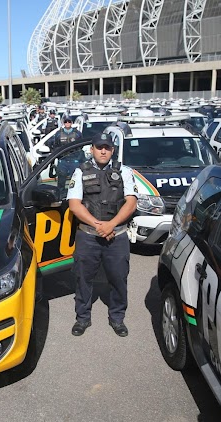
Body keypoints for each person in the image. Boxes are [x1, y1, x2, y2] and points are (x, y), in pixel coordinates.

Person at [67, 133, 138, 337]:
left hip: (117, 235)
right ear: (92, 149)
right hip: (88, 235)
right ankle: (82, 318)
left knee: (118, 278)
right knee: (83, 279)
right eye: (99, 147)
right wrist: (100, 226)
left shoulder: (124, 171)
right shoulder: (80, 172)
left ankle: (117, 318)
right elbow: (74, 205)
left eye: (107, 147)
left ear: (113, 150)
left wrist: (112, 225)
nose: (103, 151)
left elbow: (131, 203)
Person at [54, 116, 83, 195]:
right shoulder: (58, 133)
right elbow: (55, 146)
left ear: (71, 123)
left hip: (74, 160)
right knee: (61, 182)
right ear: (63, 123)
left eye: (69, 122)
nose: (67, 123)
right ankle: (61, 196)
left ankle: (75, 196)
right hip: (63, 160)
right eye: (66, 122)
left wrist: (77, 156)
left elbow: (81, 145)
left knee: (75, 181)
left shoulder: (77, 133)